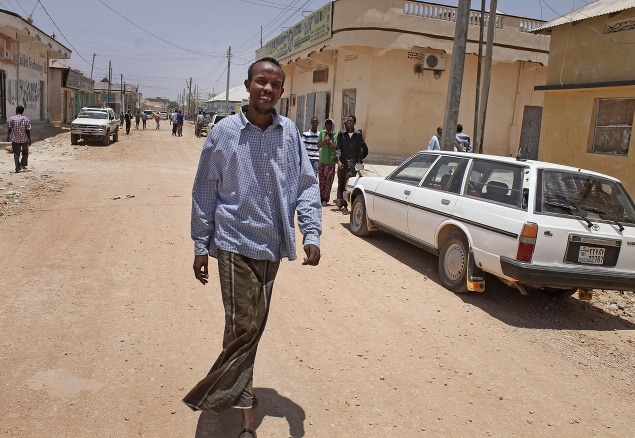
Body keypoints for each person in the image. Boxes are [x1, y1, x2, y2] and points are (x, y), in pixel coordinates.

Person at [184, 57, 321, 438]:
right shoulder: (224, 132)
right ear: (247, 86)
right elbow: (205, 190)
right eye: (261, 82)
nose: (267, 89)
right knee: (245, 327)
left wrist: (311, 233)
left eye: (275, 85)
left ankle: (226, 389)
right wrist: (200, 244)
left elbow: (306, 186)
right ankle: (243, 419)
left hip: (272, 246)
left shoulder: (289, 132)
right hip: (233, 243)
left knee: (248, 329)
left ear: (281, 91)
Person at [335, 115, 368, 214]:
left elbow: (359, 150)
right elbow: (338, 148)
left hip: (352, 164)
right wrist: (339, 161)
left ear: (354, 123)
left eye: (350, 121)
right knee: (341, 183)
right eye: (347, 121)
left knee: (348, 184)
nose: (348, 122)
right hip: (343, 162)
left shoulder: (357, 135)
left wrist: (359, 162)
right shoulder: (341, 133)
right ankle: (340, 200)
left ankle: (345, 206)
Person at [317, 118, 338, 206]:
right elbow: (318, 145)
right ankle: (320, 198)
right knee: (321, 180)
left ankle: (325, 199)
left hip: (330, 161)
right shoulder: (322, 133)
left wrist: (329, 141)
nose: (328, 129)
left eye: (329, 128)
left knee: (328, 181)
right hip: (322, 160)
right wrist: (324, 140)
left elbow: (336, 147)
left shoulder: (336, 134)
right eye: (327, 127)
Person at [7, 105, 31, 173]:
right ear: (23, 111)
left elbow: (10, 128)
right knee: (25, 151)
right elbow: (28, 130)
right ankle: (22, 164)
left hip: (15, 139)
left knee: (16, 153)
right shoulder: (26, 119)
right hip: (24, 139)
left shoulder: (12, 118)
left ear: (16, 111)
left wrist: (8, 136)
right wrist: (29, 139)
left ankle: (17, 167)